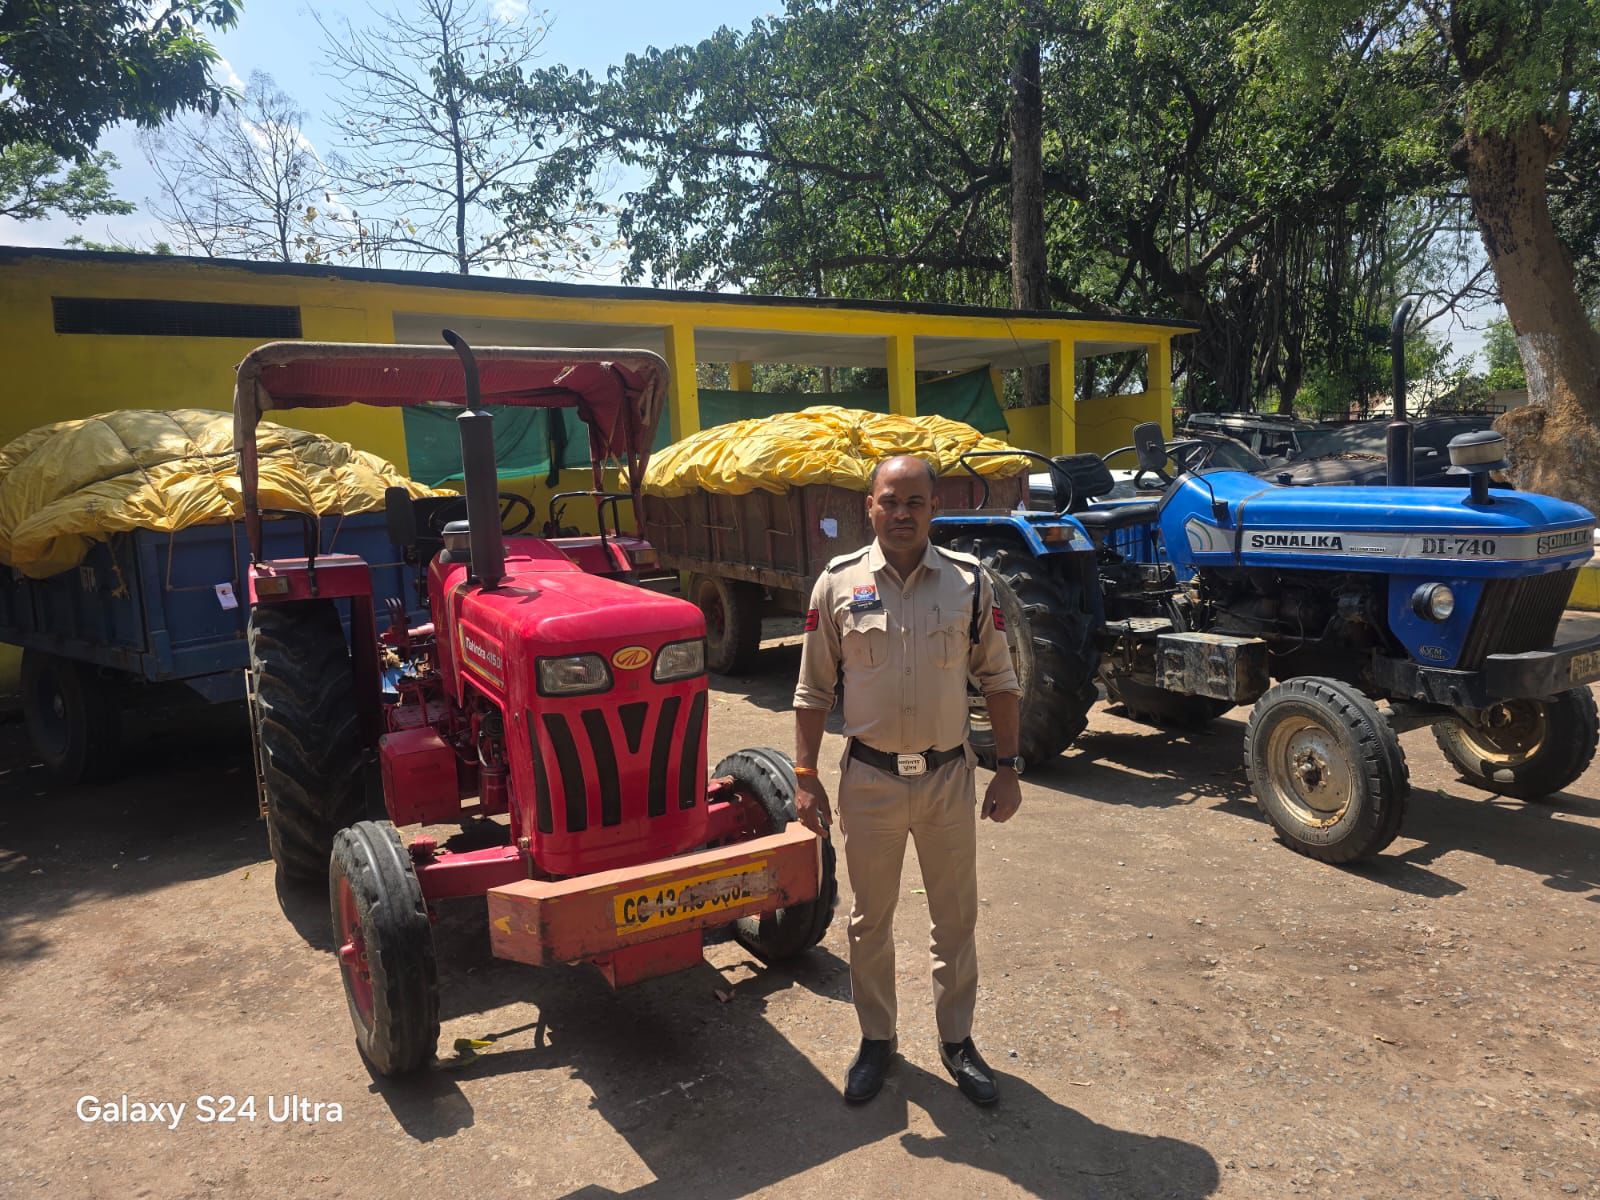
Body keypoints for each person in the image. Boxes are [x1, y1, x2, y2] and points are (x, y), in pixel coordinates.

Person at [792, 453, 1023, 1106]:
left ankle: (957, 1043)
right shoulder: (836, 585)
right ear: (869, 505)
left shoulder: (970, 583)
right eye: (889, 501)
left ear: (932, 509)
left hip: (949, 777)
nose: (900, 514)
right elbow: (812, 690)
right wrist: (805, 775)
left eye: (914, 502)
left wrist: (1008, 769)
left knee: (955, 922)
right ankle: (877, 1041)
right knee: (870, 920)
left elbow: (1000, 681)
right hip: (870, 781)